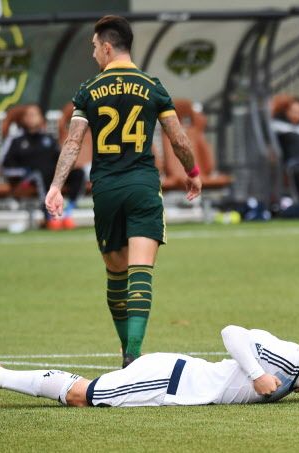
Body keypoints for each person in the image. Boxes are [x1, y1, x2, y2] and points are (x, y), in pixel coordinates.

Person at [44, 16, 202, 368]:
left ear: (108, 46)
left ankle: (126, 351)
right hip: (143, 185)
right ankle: (133, 352)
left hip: (108, 188)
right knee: (141, 270)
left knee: (116, 275)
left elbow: (73, 142)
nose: (94, 54)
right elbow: (178, 139)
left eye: (94, 48)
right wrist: (192, 172)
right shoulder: (153, 86)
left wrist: (56, 186)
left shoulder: (88, 89)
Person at [0, 325, 299, 410]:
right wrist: (258, 374)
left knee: (85, 397)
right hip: (171, 378)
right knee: (85, 395)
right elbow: (233, 332)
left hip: (176, 387)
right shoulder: (291, 357)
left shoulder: (296, 376)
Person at [1, 104, 85, 230]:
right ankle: (49, 217)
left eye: (35, 114)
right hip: (28, 178)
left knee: (79, 173)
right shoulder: (15, 140)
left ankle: (68, 213)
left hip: (51, 176)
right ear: (23, 119)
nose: (32, 118)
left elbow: (61, 160)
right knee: (40, 174)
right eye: (29, 115)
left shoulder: (49, 138)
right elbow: (4, 166)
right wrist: (24, 172)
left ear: (41, 118)